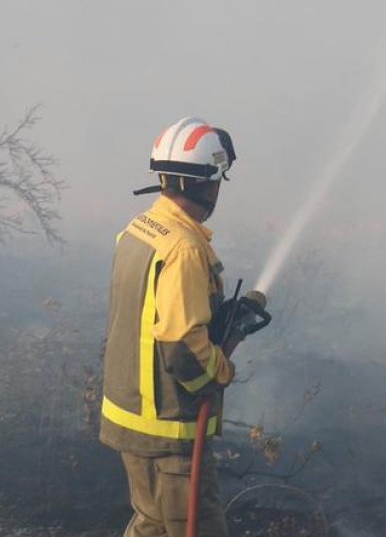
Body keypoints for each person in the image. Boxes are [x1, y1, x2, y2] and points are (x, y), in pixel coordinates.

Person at [100, 116, 239, 537]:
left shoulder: (139, 230)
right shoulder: (183, 247)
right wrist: (222, 371)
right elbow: (181, 344)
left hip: (132, 419)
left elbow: (154, 315)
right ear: (209, 183)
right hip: (169, 431)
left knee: (151, 525)